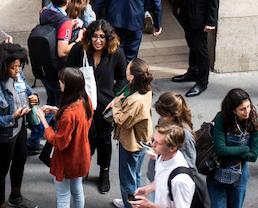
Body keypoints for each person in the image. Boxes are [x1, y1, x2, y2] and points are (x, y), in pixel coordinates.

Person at [66, 19, 126, 194]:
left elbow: (122, 77)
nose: (98, 41)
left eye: (102, 37)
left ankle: (104, 172)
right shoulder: (79, 50)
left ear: (108, 38)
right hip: (83, 104)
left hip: (106, 106)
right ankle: (83, 167)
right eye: (94, 36)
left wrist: (114, 97)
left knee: (105, 140)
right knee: (85, 137)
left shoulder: (116, 53)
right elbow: (67, 72)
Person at [0, 43, 39, 208]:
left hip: (20, 129)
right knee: (1, 170)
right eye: (13, 68)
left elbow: (28, 91)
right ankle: (0, 204)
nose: (17, 70)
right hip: (4, 135)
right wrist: (11, 117)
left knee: (20, 162)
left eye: (19, 66)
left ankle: (16, 196)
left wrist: (34, 97)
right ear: (2, 67)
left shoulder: (19, 77)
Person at [34, 67, 93, 208]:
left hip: (66, 161)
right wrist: (57, 110)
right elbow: (77, 121)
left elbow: (59, 142)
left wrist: (43, 120)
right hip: (81, 156)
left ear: (68, 86)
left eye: (62, 82)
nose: (59, 83)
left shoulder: (68, 114)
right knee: (77, 191)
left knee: (63, 196)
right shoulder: (86, 100)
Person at [111, 57, 153, 208]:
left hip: (131, 143)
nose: (125, 69)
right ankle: (136, 202)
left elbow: (122, 120)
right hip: (141, 140)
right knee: (135, 174)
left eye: (128, 68)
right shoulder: (145, 89)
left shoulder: (134, 100)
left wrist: (116, 104)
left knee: (127, 180)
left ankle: (129, 204)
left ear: (132, 77)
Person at [209, 88, 258, 208]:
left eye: (248, 107)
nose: (247, 111)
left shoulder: (253, 122)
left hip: (240, 173)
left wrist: (229, 151)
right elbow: (221, 150)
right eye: (242, 109)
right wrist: (245, 149)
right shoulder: (221, 119)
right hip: (218, 169)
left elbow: (253, 156)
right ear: (233, 110)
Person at [38, 0, 82, 110]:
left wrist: (68, 25)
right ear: (68, 1)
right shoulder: (64, 21)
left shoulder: (44, 12)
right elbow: (62, 51)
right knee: (60, 107)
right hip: (56, 70)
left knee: (50, 104)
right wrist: (78, 40)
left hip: (44, 67)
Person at [131, 124, 195, 208]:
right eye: (154, 140)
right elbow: (162, 179)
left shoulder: (180, 180)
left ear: (172, 148)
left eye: (158, 143)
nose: (152, 145)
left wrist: (149, 206)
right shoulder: (161, 157)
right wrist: (147, 189)